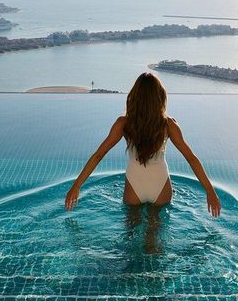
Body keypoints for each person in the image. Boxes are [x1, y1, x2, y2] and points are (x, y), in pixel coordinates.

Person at [65, 72, 221, 217]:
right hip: (160, 183)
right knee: (153, 242)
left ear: (135, 96)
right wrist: (210, 191)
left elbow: (99, 155)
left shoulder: (123, 123)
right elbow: (191, 158)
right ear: (160, 96)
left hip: (134, 183)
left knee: (131, 236)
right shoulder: (168, 125)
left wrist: (77, 186)